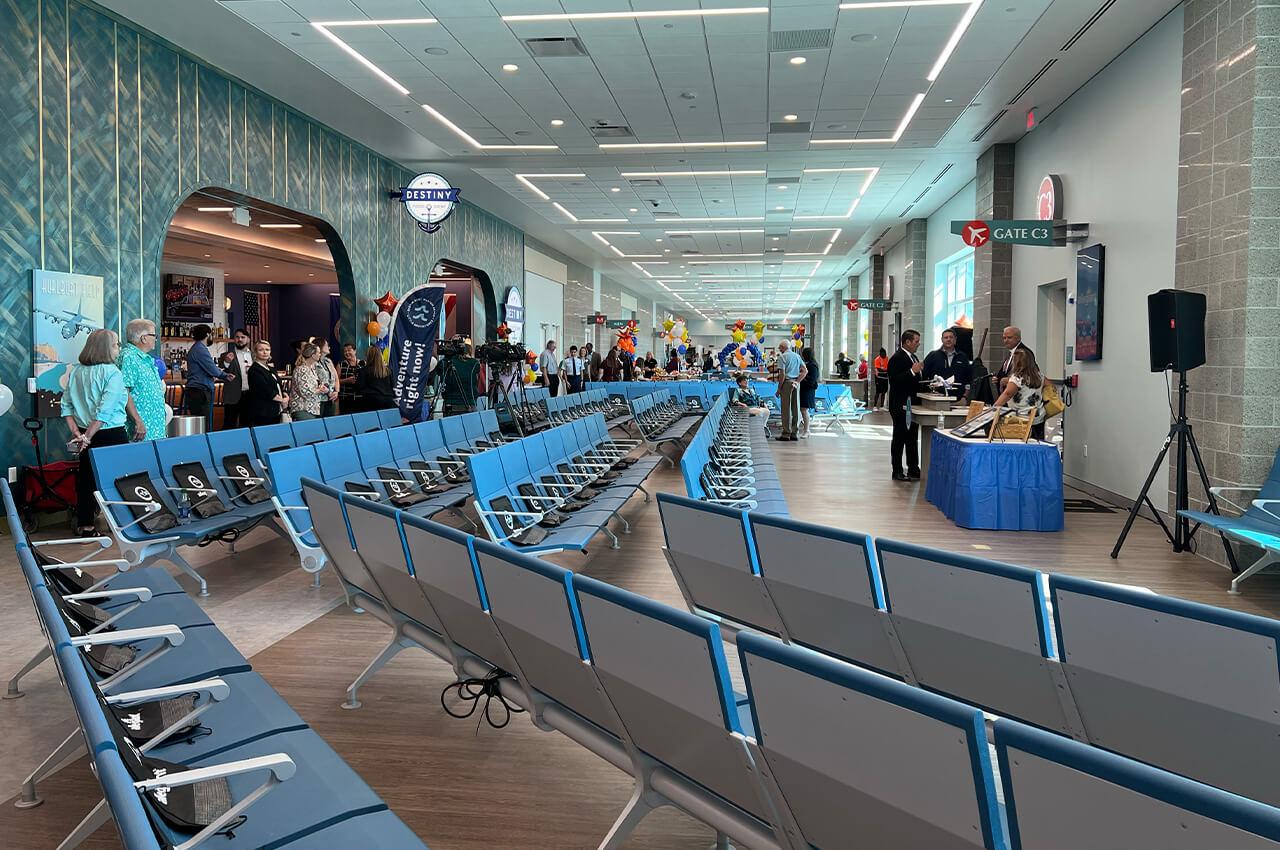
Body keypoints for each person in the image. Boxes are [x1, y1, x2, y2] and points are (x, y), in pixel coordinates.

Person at [63, 329, 129, 535]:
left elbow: (66, 406)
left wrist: (78, 434)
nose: (119, 348)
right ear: (106, 348)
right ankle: (122, 524)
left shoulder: (76, 371)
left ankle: (86, 525)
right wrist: (87, 437)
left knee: (86, 480)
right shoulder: (113, 373)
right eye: (116, 344)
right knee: (119, 479)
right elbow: (105, 411)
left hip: (84, 433)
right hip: (111, 433)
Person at [117, 319, 165, 441]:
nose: (156, 339)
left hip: (153, 428)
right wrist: (138, 421)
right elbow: (123, 391)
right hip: (140, 430)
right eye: (154, 335)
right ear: (143, 338)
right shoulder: (129, 357)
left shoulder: (144, 358)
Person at [887, 330, 925, 481]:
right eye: (916, 341)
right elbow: (895, 380)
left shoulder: (912, 356)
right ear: (907, 342)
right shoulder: (897, 358)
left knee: (911, 438)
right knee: (899, 437)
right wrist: (912, 371)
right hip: (900, 405)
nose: (918, 344)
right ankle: (897, 470)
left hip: (912, 405)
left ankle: (913, 468)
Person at [991, 349, 1046, 434]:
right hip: (1038, 417)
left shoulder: (1017, 378)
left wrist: (993, 408)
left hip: (1021, 420)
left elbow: (1007, 394)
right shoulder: (1039, 376)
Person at [185, 324, 229, 420]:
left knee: (199, 424)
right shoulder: (200, 349)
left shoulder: (196, 348)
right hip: (200, 391)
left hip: (195, 391)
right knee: (203, 425)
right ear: (207, 334)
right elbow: (213, 370)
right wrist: (225, 375)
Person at [921, 329, 972, 400]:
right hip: (936, 399)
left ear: (955, 339)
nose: (948, 339)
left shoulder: (963, 357)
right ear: (942, 340)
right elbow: (924, 375)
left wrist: (965, 396)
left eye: (951, 337)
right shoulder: (933, 356)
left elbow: (968, 379)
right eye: (946, 337)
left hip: (958, 399)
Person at [246, 341, 288, 426]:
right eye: (261, 350)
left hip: (275, 410)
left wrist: (285, 395)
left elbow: (278, 385)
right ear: (255, 352)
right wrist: (282, 400)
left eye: (267, 349)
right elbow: (265, 390)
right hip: (263, 412)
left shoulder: (271, 369)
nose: (265, 352)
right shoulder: (254, 370)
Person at [220, 328, 254, 429]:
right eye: (237, 337)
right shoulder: (226, 356)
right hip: (232, 395)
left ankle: (246, 444)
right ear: (234, 339)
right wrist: (227, 362)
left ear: (248, 339)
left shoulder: (254, 355)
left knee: (247, 424)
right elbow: (222, 370)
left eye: (243, 337)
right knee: (229, 424)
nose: (240, 339)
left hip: (250, 395)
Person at [774, 339, 806, 441]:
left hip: (787, 383)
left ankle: (786, 433)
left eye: (780, 347)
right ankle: (794, 433)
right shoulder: (797, 356)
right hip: (796, 383)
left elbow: (782, 374)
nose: (779, 349)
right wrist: (798, 381)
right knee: (796, 408)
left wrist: (779, 389)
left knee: (786, 409)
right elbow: (805, 370)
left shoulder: (782, 357)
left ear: (783, 347)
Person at [439, 343, 483, 413]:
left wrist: (448, 357)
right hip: (469, 403)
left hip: (450, 404)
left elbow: (438, 369)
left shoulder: (445, 363)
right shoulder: (473, 363)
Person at [288, 342, 325, 420]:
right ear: (313, 355)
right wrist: (319, 390)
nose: (320, 354)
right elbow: (306, 392)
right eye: (318, 352)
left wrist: (321, 387)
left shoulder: (311, 368)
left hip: (312, 409)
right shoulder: (302, 370)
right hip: (303, 409)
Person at [355, 344, 397, 411]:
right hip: (387, 400)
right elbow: (393, 385)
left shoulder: (365, 370)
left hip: (371, 401)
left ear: (368, 356)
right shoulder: (388, 370)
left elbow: (358, 387)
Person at [314, 338, 340, 416]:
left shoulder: (328, 361)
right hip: (318, 399)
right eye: (327, 345)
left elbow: (336, 378)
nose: (329, 347)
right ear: (320, 347)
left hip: (330, 398)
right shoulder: (313, 362)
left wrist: (336, 391)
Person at [798, 346, 820, 438]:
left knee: (804, 410)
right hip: (803, 389)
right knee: (802, 410)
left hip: (808, 390)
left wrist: (803, 376)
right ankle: (805, 429)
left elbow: (813, 380)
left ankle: (806, 430)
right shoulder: (806, 364)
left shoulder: (812, 366)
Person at [337, 342, 362, 413]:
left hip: (360, 398)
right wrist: (347, 380)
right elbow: (336, 381)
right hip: (346, 399)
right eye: (345, 351)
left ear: (355, 351)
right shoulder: (341, 365)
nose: (347, 353)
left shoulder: (363, 363)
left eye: (349, 350)